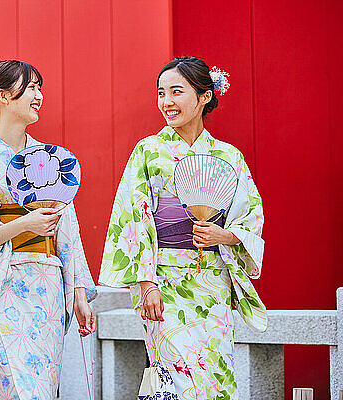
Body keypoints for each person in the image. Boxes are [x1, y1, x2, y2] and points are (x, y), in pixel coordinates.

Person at [99, 56, 266, 400]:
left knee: (216, 375)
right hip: (164, 283)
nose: (166, 102)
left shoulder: (228, 156)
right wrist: (146, 285)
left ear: (204, 96)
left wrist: (227, 235)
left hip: (212, 282)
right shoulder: (148, 151)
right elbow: (133, 218)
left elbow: (250, 214)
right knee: (176, 377)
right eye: (161, 93)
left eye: (177, 92)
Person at [0, 60, 97, 400]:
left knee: (43, 388)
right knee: (18, 388)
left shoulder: (48, 160)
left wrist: (77, 291)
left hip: (49, 285)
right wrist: (23, 224)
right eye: (31, 87)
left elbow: (68, 230)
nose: (39, 95)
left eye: (39, 88)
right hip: (6, 285)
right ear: (3, 96)